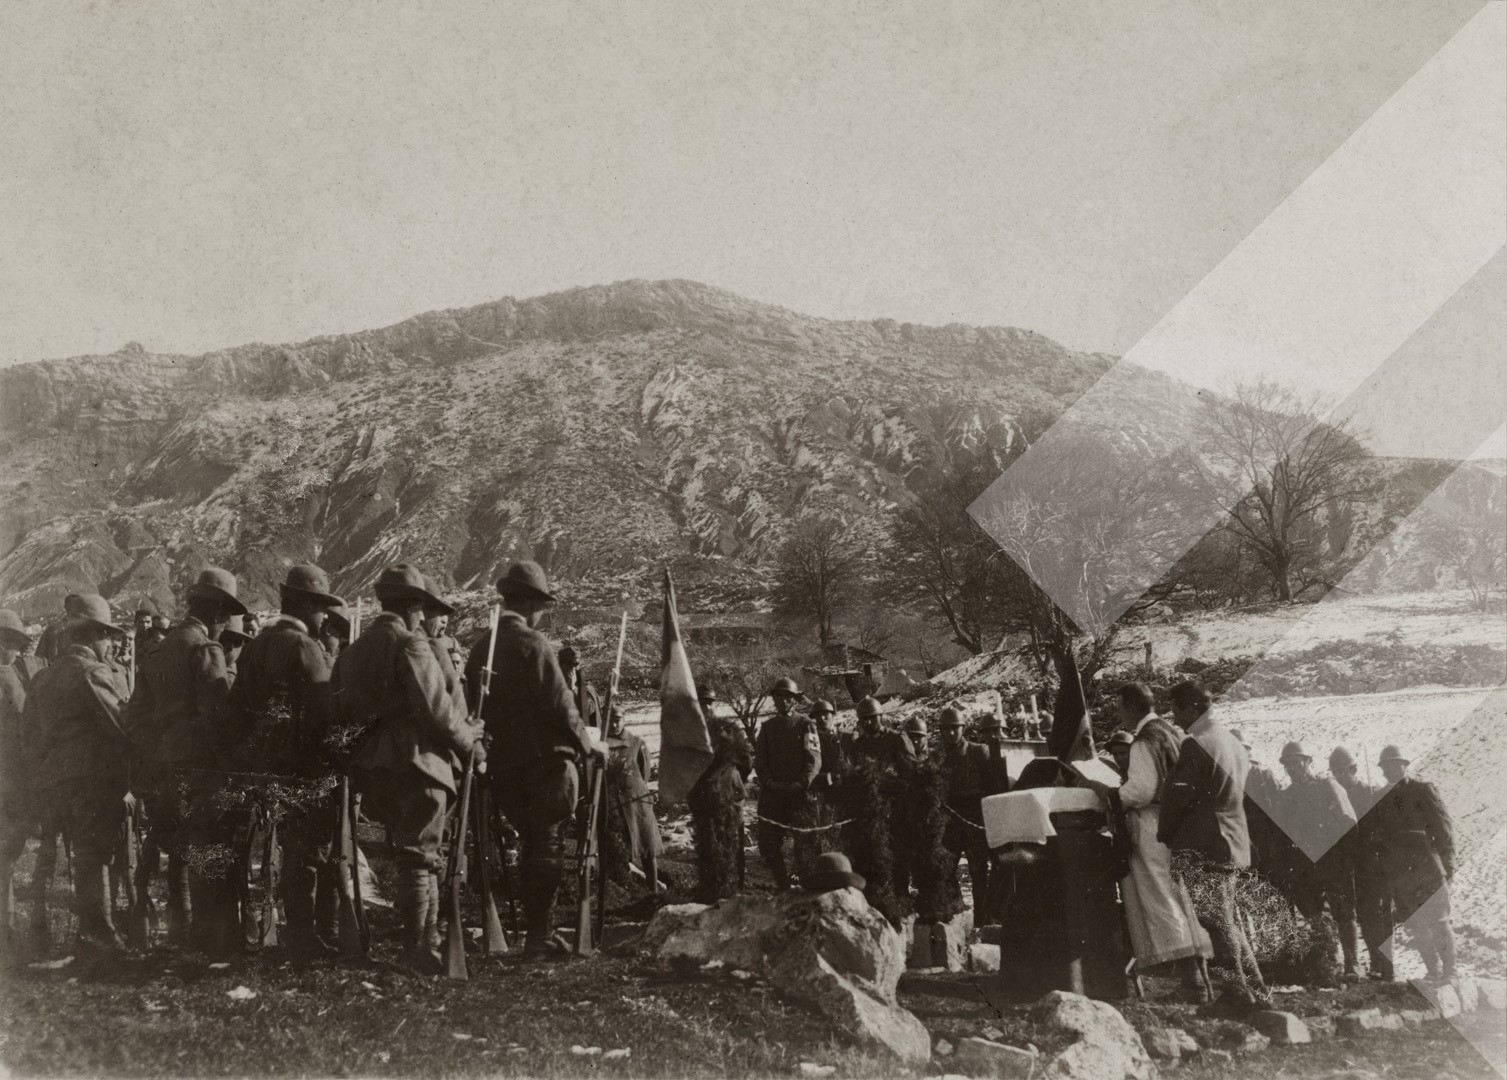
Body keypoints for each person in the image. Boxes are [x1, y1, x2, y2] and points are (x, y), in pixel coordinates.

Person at [338, 565, 482, 974]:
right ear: (412, 606)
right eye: (421, 608)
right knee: (420, 856)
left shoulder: (355, 650)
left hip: (375, 764)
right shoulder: (410, 643)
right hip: (419, 761)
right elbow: (437, 710)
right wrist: (470, 743)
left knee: (414, 854)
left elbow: (342, 710)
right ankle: (418, 947)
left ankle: (428, 941)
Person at [464, 560, 599, 959]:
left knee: (530, 843)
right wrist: (589, 745)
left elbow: (473, 707)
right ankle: (541, 935)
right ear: (528, 603)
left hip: (503, 768)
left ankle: (537, 933)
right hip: (544, 767)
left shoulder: (481, 648)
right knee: (547, 844)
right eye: (540, 604)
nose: (541, 612)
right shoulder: (533, 644)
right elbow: (560, 704)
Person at [123, 567, 247, 949]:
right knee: (207, 847)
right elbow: (219, 718)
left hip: (164, 766)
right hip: (200, 766)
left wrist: (160, 748)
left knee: (178, 849)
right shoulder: (205, 650)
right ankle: (209, 937)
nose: (224, 625)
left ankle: (182, 928)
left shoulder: (157, 650)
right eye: (225, 616)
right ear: (217, 613)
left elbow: (134, 717)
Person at [226, 564, 344, 956]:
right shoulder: (304, 647)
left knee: (271, 850)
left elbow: (237, 710)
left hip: (263, 765)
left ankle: (271, 930)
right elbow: (323, 713)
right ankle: (303, 934)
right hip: (302, 766)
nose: (325, 617)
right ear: (307, 606)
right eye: (321, 607)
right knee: (305, 854)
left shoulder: (256, 645)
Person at [1081, 683, 1214, 995]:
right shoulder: (1171, 732)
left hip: (1152, 824)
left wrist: (1107, 792)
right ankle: (1200, 978)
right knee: (1182, 896)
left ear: (1131, 706)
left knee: (1162, 897)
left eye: (1120, 708)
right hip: (1177, 823)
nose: (1120, 715)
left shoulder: (1144, 741)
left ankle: (1191, 982)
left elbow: (1140, 791)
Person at [26, 596, 132, 951]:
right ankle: (99, 935)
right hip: (91, 780)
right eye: (107, 637)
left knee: (78, 856)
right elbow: (121, 726)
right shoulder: (91, 673)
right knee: (94, 856)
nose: (111, 645)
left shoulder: (42, 678)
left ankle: (87, 934)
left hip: (55, 783)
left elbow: (31, 737)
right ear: (93, 636)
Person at [1158, 681, 1270, 1009]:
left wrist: (1166, 834)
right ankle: (1257, 991)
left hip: (1205, 844)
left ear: (1193, 708)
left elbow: (1176, 797)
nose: (1175, 718)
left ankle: (1237, 994)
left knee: (1218, 924)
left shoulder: (1197, 744)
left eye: (1177, 710)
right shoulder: (1230, 741)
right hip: (1231, 842)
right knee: (1226, 921)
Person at [1276, 741, 1358, 985]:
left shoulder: (1327, 786)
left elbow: (1348, 821)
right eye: (1288, 764)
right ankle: (1329, 963)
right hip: (1306, 866)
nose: (1293, 768)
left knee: (1344, 912)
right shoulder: (1287, 796)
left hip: (1334, 861)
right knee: (1315, 914)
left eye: (1297, 762)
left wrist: (1343, 857)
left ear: (1308, 762)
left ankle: (1352, 964)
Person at [1371, 745, 1455, 982]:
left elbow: (1444, 831)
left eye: (1393, 764)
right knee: (1415, 924)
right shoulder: (1380, 799)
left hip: (1428, 869)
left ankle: (1451, 972)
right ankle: (1433, 971)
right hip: (1401, 874)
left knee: (1439, 922)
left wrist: (1448, 867)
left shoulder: (1422, 790)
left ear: (1404, 765)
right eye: (1385, 766)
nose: (1388, 769)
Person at [0, 609, 51, 950]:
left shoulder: (12, 672)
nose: (18, 651)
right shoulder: (6, 676)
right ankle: (5, 928)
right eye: (12, 643)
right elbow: (23, 723)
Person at [843, 696, 915, 925]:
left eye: (872, 718)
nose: (868, 723)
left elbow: (910, 775)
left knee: (898, 860)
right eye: (864, 720)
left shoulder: (896, 739)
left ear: (881, 717)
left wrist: (886, 783)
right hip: (869, 812)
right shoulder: (857, 745)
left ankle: (902, 908)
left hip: (895, 810)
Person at [1329, 745, 1393, 981]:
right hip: (1343, 862)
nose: (1339, 776)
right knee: (1346, 915)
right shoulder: (1332, 794)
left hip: (1367, 863)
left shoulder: (1368, 792)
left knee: (1370, 915)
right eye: (1335, 771)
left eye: (1343, 770)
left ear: (1353, 770)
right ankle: (1353, 965)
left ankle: (1379, 964)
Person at [753, 677, 820, 890]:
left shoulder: (806, 724)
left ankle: (809, 889)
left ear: (795, 700)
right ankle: (784, 887)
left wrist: (800, 784)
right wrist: (770, 783)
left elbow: (814, 759)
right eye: (779, 696)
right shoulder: (767, 727)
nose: (783, 701)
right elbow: (760, 761)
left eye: (788, 697)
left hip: (800, 794)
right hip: (773, 795)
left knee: (806, 845)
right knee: (768, 845)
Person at [935, 707, 1001, 922]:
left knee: (979, 872)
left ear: (962, 728)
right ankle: (959, 916)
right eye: (946, 729)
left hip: (975, 820)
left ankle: (982, 920)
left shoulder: (978, 752)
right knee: (945, 870)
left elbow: (993, 787)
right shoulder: (937, 757)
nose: (951, 733)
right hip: (949, 822)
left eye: (955, 728)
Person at [687, 682, 751, 902]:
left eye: (709, 703)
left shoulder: (729, 730)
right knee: (707, 842)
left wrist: (729, 778)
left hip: (730, 795)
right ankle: (711, 891)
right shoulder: (690, 733)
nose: (706, 707)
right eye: (701, 703)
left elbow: (746, 762)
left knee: (733, 841)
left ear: (715, 705)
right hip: (703, 796)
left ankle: (736, 890)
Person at [604, 703, 662, 889]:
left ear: (624, 720)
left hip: (637, 802)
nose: (614, 725)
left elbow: (645, 773)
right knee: (615, 847)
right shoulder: (601, 744)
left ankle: (653, 891)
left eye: (617, 720)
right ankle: (621, 888)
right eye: (610, 720)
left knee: (647, 845)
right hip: (612, 803)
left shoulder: (636, 742)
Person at [805, 699, 846, 866]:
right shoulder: (812, 741)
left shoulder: (844, 737)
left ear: (833, 716)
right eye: (818, 716)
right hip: (820, 792)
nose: (822, 718)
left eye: (825, 714)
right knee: (821, 834)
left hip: (842, 792)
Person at [558, 645, 601, 732]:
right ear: (561, 666)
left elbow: (589, 710)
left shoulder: (588, 689)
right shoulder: (552, 688)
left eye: (575, 666)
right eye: (568, 665)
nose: (572, 670)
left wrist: (574, 690)